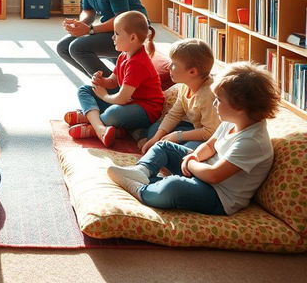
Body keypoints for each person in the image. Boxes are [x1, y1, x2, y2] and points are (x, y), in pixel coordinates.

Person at [108, 63, 280, 216]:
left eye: (218, 100)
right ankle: (142, 172)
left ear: (240, 106)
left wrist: (190, 162)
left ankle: (140, 189)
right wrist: (195, 156)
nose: (214, 105)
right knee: (165, 146)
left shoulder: (252, 142)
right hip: (202, 170)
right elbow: (210, 146)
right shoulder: (232, 121)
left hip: (218, 196)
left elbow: (214, 176)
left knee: (174, 187)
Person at [64, 10, 164, 147]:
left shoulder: (138, 63)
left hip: (145, 110)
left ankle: (93, 122)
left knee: (113, 113)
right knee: (84, 90)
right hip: (127, 102)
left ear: (133, 38)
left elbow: (121, 99)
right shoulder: (123, 55)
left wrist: (104, 96)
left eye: (116, 33)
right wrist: (101, 81)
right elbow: (112, 82)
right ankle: (102, 128)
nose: (112, 38)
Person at [139, 39, 220, 153]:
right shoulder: (185, 86)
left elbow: (210, 132)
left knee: (189, 149)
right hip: (191, 127)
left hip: (209, 137)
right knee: (155, 129)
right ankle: (158, 147)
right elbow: (174, 115)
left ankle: (165, 155)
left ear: (192, 72)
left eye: (174, 64)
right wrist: (157, 137)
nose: (169, 67)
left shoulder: (207, 95)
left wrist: (178, 136)